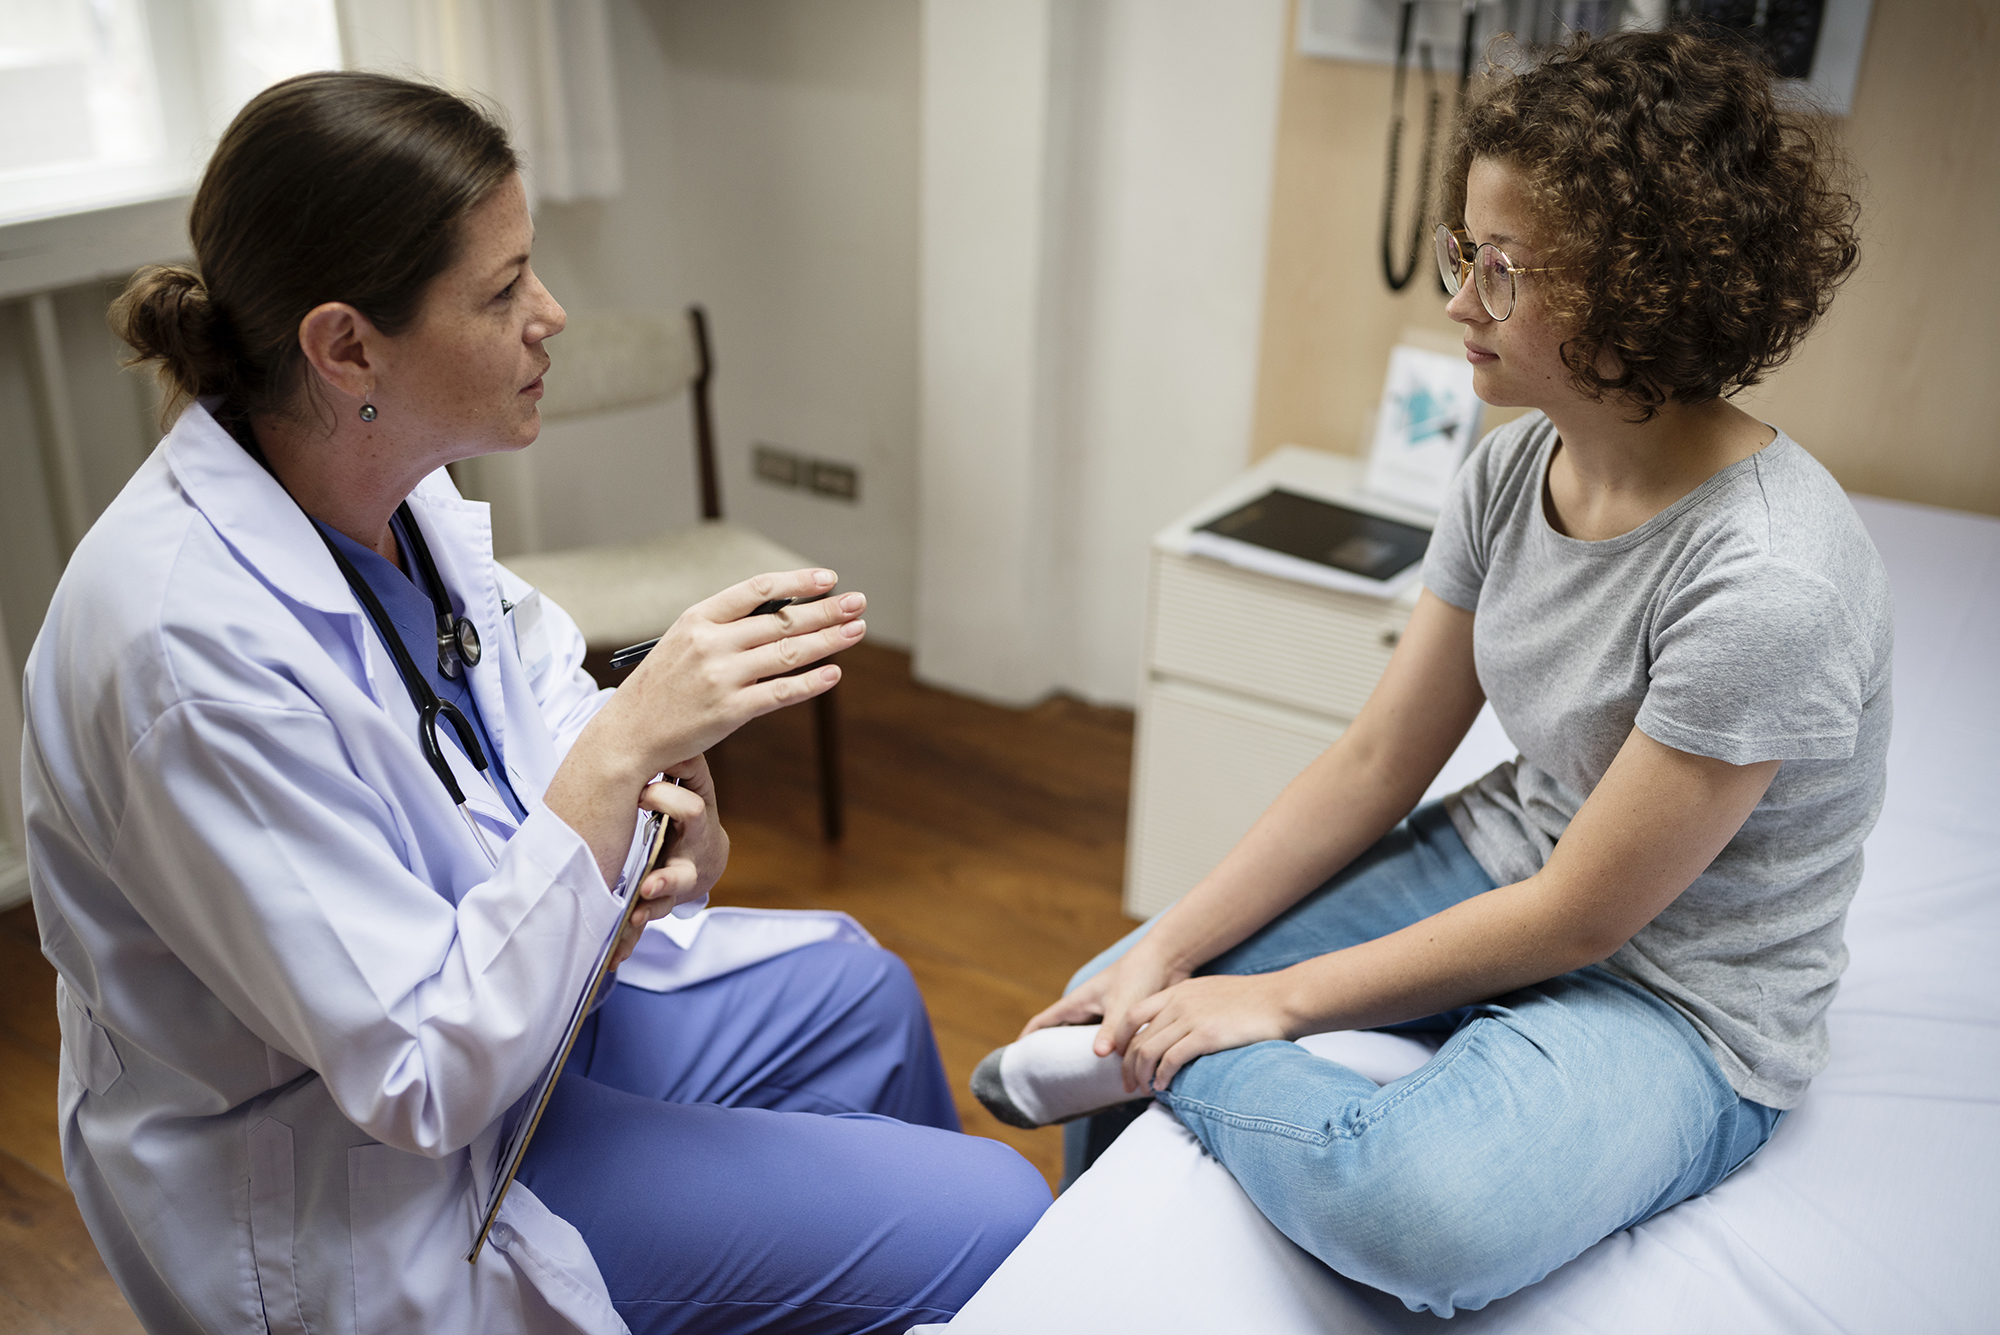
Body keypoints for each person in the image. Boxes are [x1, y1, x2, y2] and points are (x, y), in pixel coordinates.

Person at [23, 71, 1047, 1335]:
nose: (551, 315)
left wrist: (664, 802)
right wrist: (625, 750)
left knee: (862, 993)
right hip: (381, 1178)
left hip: (526, 1039)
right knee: (996, 1211)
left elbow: (536, 691)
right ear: (347, 347)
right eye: (502, 290)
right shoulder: (184, 658)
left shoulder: (385, 490)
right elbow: (413, 1074)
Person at [976, 25, 1881, 1318]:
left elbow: (1586, 916)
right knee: (1130, 978)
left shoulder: (1770, 581)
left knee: (1418, 1204)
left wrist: (1268, 1001)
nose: (1457, 301)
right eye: (1464, 251)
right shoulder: (1512, 471)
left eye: (1500, 271)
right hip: (1519, 856)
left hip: (1682, 992)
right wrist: (1175, 947)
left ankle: (1155, 1065)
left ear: (1644, 289)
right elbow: (1376, 757)